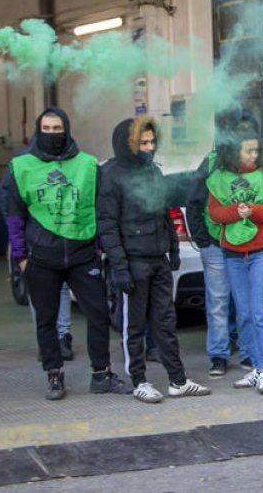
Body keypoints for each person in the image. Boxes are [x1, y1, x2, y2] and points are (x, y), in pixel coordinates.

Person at [6, 108, 133, 400]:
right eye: (47, 128)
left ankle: (101, 374)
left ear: (67, 129)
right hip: (41, 258)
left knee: (99, 315)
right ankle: (54, 375)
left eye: (57, 128)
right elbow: (14, 215)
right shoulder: (21, 166)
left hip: (82, 255)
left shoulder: (88, 165)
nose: (52, 133)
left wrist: (99, 247)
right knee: (46, 321)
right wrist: (21, 258)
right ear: (39, 131)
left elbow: (101, 209)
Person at [98, 114, 210, 404]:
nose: (149, 147)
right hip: (133, 261)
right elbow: (107, 225)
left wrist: (172, 249)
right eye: (143, 143)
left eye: (151, 142)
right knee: (133, 325)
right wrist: (119, 267)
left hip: (157, 258)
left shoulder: (153, 173)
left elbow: (164, 214)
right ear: (130, 144)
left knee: (165, 321)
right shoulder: (111, 175)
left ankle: (178, 380)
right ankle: (139, 381)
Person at [206, 129, 263, 395]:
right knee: (244, 312)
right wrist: (234, 212)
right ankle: (254, 368)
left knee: (261, 311)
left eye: (256, 150)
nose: (254, 154)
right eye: (248, 150)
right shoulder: (218, 178)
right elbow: (215, 212)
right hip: (233, 253)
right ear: (234, 152)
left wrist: (252, 211)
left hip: (262, 250)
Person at [187, 111, 258, 377]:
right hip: (217, 243)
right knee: (217, 301)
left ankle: (250, 351)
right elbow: (194, 200)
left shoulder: (257, 161)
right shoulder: (212, 162)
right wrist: (202, 238)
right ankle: (218, 355)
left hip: (248, 243)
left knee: (246, 302)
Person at [0, 133, 73, 366]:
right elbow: (7, 199)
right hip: (36, 238)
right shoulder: (22, 161)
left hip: (60, 236)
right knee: (41, 289)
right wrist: (19, 229)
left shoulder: (66, 158)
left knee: (56, 288)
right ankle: (52, 339)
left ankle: (61, 337)